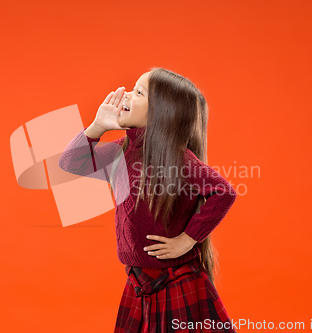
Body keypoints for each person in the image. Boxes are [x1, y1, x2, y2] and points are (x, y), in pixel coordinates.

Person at [58, 67, 238, 332]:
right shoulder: (122, 150)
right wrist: (97, 127)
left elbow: (224, 192)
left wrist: (187, 240)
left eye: (138, 92)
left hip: (175, 283)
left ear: (160, 112)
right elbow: (71, 163)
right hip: (139, 282)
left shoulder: (177, 158)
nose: (127, 95)